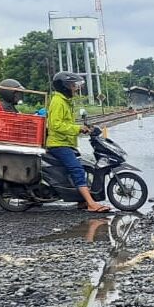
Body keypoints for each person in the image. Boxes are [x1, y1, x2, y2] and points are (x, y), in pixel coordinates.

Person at [46, 71, 110, 213]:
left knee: (83, 166)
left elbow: (66, 123)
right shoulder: (58, 102)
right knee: (77, 170)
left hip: (66, 143)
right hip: (58, 144)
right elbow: (55, 125)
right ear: (64, 86)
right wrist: (77, 129)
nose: (75, 88)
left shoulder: (65, 101)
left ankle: (80, 200)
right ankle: (91, 204)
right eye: (72, 85)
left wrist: (85, 128)